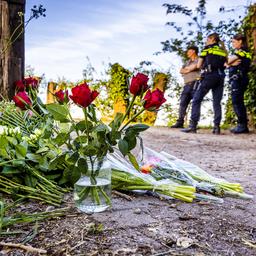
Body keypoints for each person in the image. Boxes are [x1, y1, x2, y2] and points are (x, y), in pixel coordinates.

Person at [181, 33, 227, 134]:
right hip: (220, 77)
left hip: (209, 76)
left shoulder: (207, 49)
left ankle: (193, 126)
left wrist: (202, 68)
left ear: (212, 39)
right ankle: (216, 127)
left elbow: (199, 64)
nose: (206, 41)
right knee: (216, 102)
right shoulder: (223, 51)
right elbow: (226, 64)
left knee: (197, 99)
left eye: (207, 39)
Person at [226, 34, 252, 134]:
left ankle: (242, 126)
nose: (232, 44)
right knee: (238, 101)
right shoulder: (241, 52)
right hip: (239, 79)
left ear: (240, 41)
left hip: (239, 79)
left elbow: (226, 61)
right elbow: (226, 63)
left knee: (237, 102)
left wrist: (229, 63)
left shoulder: (242, 52)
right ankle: (242, 125)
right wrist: (231, 63)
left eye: (234, 41)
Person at [171, 46, 200, 128]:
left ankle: (193, 123)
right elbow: (181, 71)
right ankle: (180, 122)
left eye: (189, 51)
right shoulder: (187, 62)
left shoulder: (199, 60)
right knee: (182, 103)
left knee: (195, 103)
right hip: (187, 84)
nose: (187, 53)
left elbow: (196, 66)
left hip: (196, 83)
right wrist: (189, 69)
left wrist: (188, 69)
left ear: (193, 51)